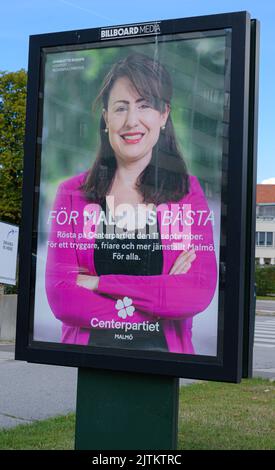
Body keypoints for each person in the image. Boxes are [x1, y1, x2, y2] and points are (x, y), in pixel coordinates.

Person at [45, 53, 217, 354]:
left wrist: (99, 284)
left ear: (163, 115)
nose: (131, 121)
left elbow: (196, 293)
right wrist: (159, 298)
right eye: (120, 108)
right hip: (91, 359)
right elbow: (63, 299)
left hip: (165, 358)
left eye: (144, 106)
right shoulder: (72, 194)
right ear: (106, 117)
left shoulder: (187, 193)